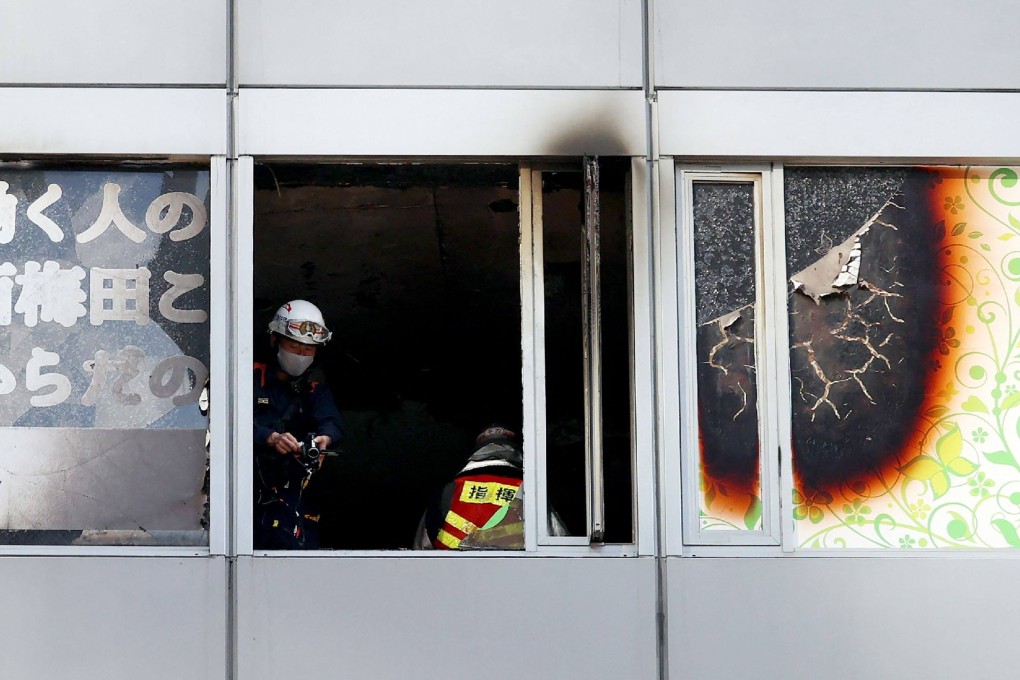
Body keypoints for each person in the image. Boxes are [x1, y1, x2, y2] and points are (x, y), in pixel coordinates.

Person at [253, 299, 342, 549]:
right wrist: (269, 438)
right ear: (275, 341)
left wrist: (325, 439)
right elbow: (226, 424)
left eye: (309, 349)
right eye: (295, 345)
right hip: (247, 491)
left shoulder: (315, 386)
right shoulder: (249, 376)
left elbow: (332, 421)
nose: (301, 354)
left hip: (295, 493)